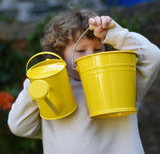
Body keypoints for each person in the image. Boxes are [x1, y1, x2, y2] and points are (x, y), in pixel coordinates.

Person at [8, 9, 160, 154]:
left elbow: (153, 57)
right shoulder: (52, 90)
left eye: (97, 49)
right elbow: (19, 127)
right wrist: (36, 85)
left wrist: (113, 33)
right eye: (81, 51)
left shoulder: (121, 81)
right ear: (59, 55)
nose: (90, 56)